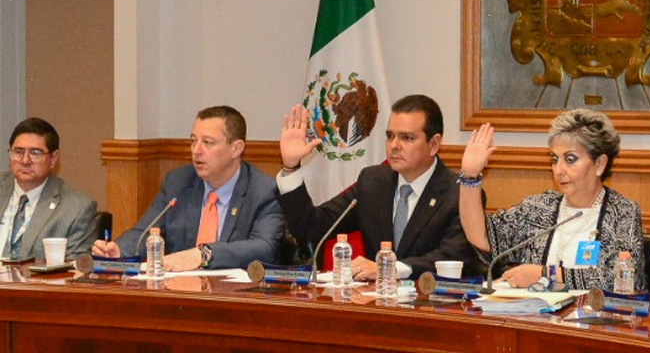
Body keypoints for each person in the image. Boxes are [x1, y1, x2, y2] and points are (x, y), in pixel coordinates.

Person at [277, 94, 472, 280]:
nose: (394, 145)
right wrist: (290, 167)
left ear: (434, 144)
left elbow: (454, 256)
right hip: (374, 300)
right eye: (390, 136)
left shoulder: (460, 193)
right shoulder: (373, 182)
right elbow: (313, 228)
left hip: (429, 300)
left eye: (407, 138)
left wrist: (389, 269)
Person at [459, 109, 645, 291]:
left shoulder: (623, 212)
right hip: (536, 310)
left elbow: (623, 279)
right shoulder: (539, 208)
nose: (559, 170)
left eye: (570, 159)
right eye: (555, 159)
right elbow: (481, 237)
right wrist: (469, 175)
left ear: (599, 164)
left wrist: (546, 274)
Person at [92, 106, 284, 271]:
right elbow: (145, 231)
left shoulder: (263, 191)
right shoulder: (178, 182)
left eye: (207, 143)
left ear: (236, 148)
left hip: (233, 296)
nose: (196, 150)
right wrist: (119, 251)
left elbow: (265, 247)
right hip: (180, 290)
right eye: (193, 141)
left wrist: (204, 254)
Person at [0, 118, 97, 262]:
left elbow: (74, 266)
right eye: (18, 152)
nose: (25, 161)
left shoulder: (77, 208)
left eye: (35, 153)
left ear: (53, 158)